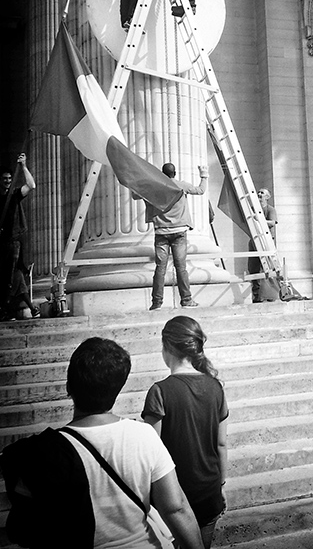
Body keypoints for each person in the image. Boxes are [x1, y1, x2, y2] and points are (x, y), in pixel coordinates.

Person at [0, 337, 204, 548]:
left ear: (69, 386)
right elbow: (176, 509)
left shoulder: (45, 452)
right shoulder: (144, 435)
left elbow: (23, 529)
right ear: (117, 390)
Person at [142, 316, 228, 548]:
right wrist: (220, 485)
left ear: (167, 347)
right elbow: (221, 444)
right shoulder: (215, 386)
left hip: (174, 494)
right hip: (209, 491)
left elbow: (151, 451)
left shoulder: (159, 391)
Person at [143, 162, 208, 311]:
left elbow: (136, 194)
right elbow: (200, 190)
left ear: (162, 173)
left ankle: (156, 303)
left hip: (161, 233)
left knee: (160, 268)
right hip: (179, 231)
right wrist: (204, 175)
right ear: (175, 173)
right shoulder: (181, 185)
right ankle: (186, 299)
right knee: (181, 267)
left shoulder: (154, 187)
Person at [1, 153, 37, 320]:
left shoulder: (14, 195)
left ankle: (6, 309)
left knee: (12, 275)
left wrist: (23, 166)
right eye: (4, 179)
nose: (7, 181)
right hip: (2, 242)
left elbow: (31, 185)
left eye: (9, 178)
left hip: (13, 241)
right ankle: (21, 307)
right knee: (11, 275)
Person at [247, 187, 279, 302]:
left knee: (266, 267)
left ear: (267, 197)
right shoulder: (252, 208)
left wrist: (259, 219)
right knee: (253, 266)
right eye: (259, 192)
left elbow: (272, 222)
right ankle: (256, 294)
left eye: (262, 193)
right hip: (254, 240)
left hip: (266, 241)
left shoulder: (270, 209)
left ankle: (268, 294)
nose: (259, 194)